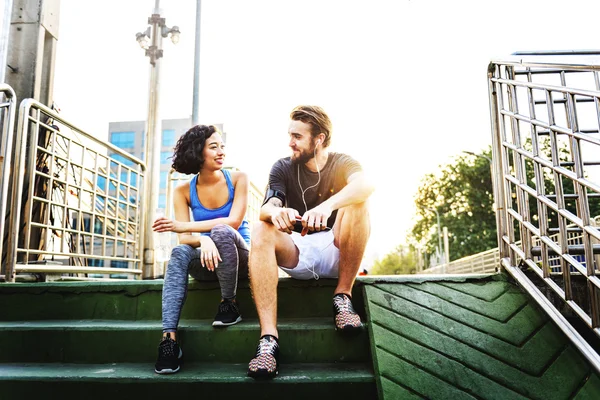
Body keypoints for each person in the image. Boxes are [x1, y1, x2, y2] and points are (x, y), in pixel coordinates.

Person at [246, 105, 374, 379]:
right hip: (298, 250)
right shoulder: (282, 166)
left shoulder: (343, 163)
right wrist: (277, 212)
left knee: (359, 203)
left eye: (297, 136)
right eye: (290, 135)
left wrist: (327, 207)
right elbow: (266, 208)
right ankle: (268, 340)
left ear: (320, 139)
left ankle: (342, 297)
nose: (290, 142)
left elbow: (366, 185)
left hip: (336, 250)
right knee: (261, 229)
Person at [151, 124, 251, 374]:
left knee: (221, 231)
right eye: (213, 147)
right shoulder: (183, 190)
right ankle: (169, 340)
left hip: (240, 260)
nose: (221, 152)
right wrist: (202, 240)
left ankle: (229, 302)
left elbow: (234, 222)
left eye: (222, 146)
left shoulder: (238, 178)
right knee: (179, 253)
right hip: (209, 263)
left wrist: (194, 230)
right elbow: (185, 239)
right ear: (198, 152)